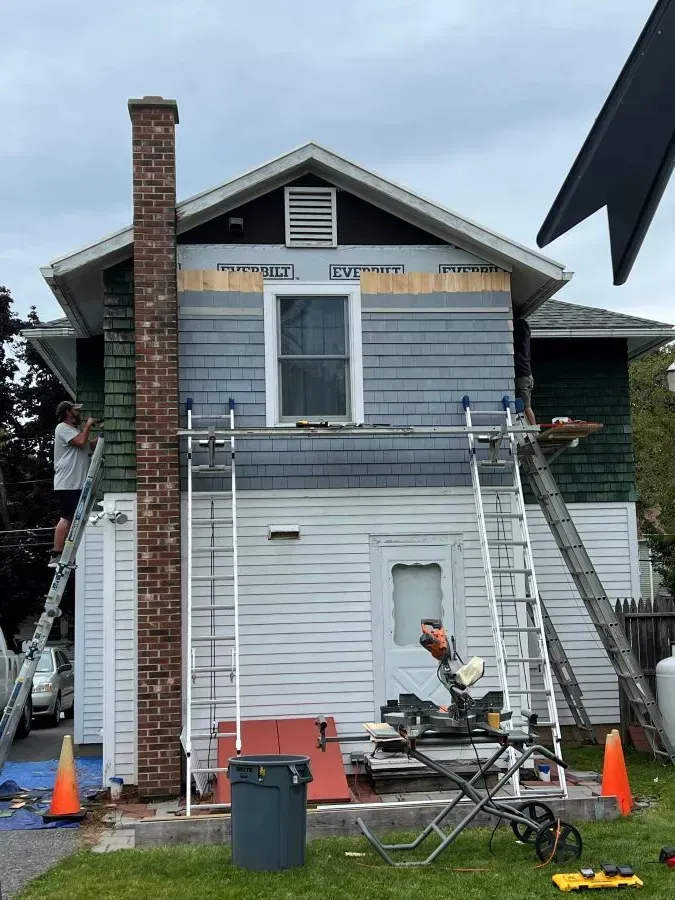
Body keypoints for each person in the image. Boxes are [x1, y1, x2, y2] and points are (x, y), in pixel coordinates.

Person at [50, 401, 97, 567]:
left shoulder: (74, 431)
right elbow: (80, 442)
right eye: (76, 411)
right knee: (66, 518)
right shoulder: (62, 428)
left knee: (72, 519)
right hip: (67, 483)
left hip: (76, 484)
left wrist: (101, 436)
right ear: (68, 412)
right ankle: (56, 554)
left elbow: (87, 446)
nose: (79, 414)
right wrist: (88, 425)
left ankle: (65, 554)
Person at [513, 317, 536, 426]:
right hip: (527, 375)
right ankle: (530, 429)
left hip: (522, 376)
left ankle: (534, 431)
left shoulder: (518, 342)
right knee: (524, 406)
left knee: (526, 406)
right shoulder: (524, 338)